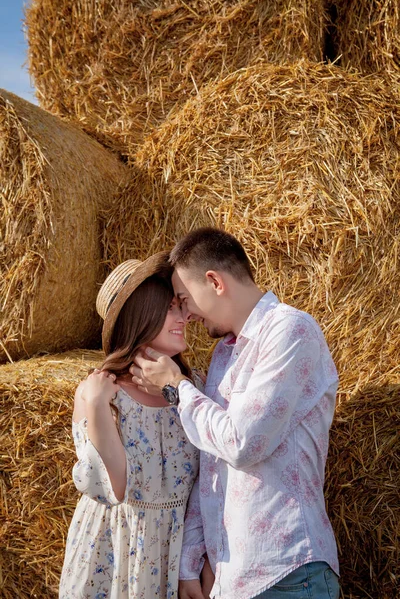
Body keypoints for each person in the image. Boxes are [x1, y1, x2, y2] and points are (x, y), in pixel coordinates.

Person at [130, 228, 341, 599]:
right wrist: (189, 563)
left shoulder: (290, 331)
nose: (186, 313)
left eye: (184, 298)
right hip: (233, 580)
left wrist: (177, 389)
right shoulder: (224, 356)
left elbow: (243, 443)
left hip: (287, 571)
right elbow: (212, 465)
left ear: (214, 282)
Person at [59, 252, 201, 599]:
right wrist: (96, 406)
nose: (184, 315)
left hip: (172, 558)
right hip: (110, 557)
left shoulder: (194, 387)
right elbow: (113, 488)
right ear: (142, 315)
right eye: (170, 307)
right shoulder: (101, 394)